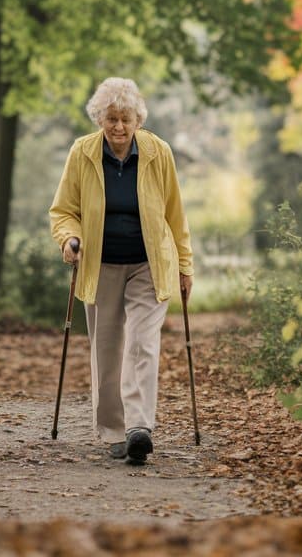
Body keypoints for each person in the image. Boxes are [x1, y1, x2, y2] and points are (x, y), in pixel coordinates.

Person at [49, 77, 194, 465]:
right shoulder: (82, 153)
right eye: (111, 118)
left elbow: (175, 215)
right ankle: (114, 430)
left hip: (149, 264)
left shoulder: (157, 153)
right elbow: (63, 211)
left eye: (125, 119)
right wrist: (69, 239)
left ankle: (139, 428)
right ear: (100, 119)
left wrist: (184, 264)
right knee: (108, 349)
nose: (118, 127)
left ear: (137, 119)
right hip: (101, 264)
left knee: (142, 343)